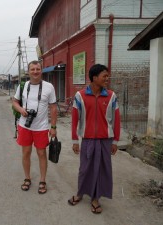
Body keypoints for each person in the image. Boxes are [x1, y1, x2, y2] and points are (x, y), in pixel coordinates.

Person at [68, 64, 121, 214]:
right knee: (85, 169)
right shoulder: (80, 96)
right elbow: (74, 120)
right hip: (88, 140)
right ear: (94, 78)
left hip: (105, 140)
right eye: (104, 76)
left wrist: (115, 141)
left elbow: (116, 120)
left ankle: (96, 198)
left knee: (102, 170)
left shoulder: (111, 96)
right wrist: (74, 141)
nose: (107, 78)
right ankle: (80, 193)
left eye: (107, 76)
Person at [12, 60, 57, 194]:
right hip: (24, 126)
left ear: (41, 70)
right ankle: (27, 178)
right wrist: (21, 110)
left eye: (38, 69)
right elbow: (14, 102)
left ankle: (42, 180)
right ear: (29, 71)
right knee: (26, 153)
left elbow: (53, 108)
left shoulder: (49, 87)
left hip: (42, 127)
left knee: (41, 153)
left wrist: (53, 126)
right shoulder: (23, 86)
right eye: (33, 69)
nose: (35, 72)